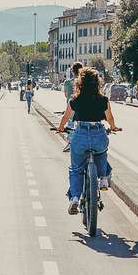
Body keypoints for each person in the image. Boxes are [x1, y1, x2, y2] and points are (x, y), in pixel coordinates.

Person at [56, 67, 118, 215]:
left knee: (76, 169)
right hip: (98, 134)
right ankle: (103, 178)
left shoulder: (75, 100)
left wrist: (60, 128)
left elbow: (65, 117)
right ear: (98, 83)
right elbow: (110, 118)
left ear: (80, 83)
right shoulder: (103, 100)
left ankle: (75, 198)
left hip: (81, 135)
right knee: (102, 152)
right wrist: (114, 127)